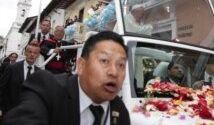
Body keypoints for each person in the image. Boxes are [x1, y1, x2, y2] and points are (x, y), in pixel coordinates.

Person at [2, 31, 130, 125]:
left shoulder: (120, 110)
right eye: (104, 61)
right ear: (81, 65)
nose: (114, 72)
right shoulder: (48, 90)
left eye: (121, 65)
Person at [0, 43, 40, 117]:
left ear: (38, 55)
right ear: (25, 53)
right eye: (30, 52)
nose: (32, 54)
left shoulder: (39, 73)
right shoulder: (12, 68)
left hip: (29, 114)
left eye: (35, 53)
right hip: (10, 111)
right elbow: (2, 88)